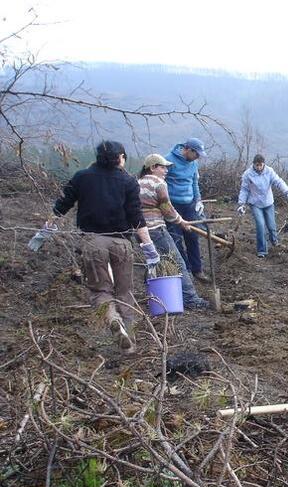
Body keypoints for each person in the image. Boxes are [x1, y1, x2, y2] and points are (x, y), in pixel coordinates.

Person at [50, 140, 160, 354]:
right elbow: (136, 217)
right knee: (125, 291)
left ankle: (112, 320)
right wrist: (148, 246)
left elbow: (62, 204)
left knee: (100, 290)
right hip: (121, 242)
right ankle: (130, 342)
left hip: (93, 242)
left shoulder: (82, 177)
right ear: (121, 157)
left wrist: (46, 227)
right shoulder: (128, 181)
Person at [138, 154, 208, 309]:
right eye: (162, 167)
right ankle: (191, 299)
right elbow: (166, 209)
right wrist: (181, 221)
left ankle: (155, 297)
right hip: (156, 230)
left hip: (141, 231)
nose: (166, 171)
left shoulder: (138, 183)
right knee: (177, 262)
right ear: (153, 168)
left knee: (153, 263)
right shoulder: (158, 183)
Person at [164, 138, 208, 281]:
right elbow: (162, 184)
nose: (198, 157)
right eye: (196, 154)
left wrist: (198, 200)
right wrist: (165, 204)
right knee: (176, 238)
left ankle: (197, 270)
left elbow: (194, 183)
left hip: (189, 205)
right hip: (172, 206)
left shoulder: (193, 163)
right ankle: (185, 270)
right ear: (188, 149)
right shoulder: (168, 161)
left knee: (192, 236)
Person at [236, 154, 288, 257]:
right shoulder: (247, 174)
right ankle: (262, 250)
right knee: (260, 225)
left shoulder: (269, 171)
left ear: (264, 164)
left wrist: (287, 192)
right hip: (255, 203)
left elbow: (278, 181)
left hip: (268, 202)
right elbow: (244, 189)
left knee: (271, 225)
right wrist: (241, 203)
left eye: (261, 165)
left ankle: (274, 242)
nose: (259, 167)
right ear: (253, 164)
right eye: (257, 165)